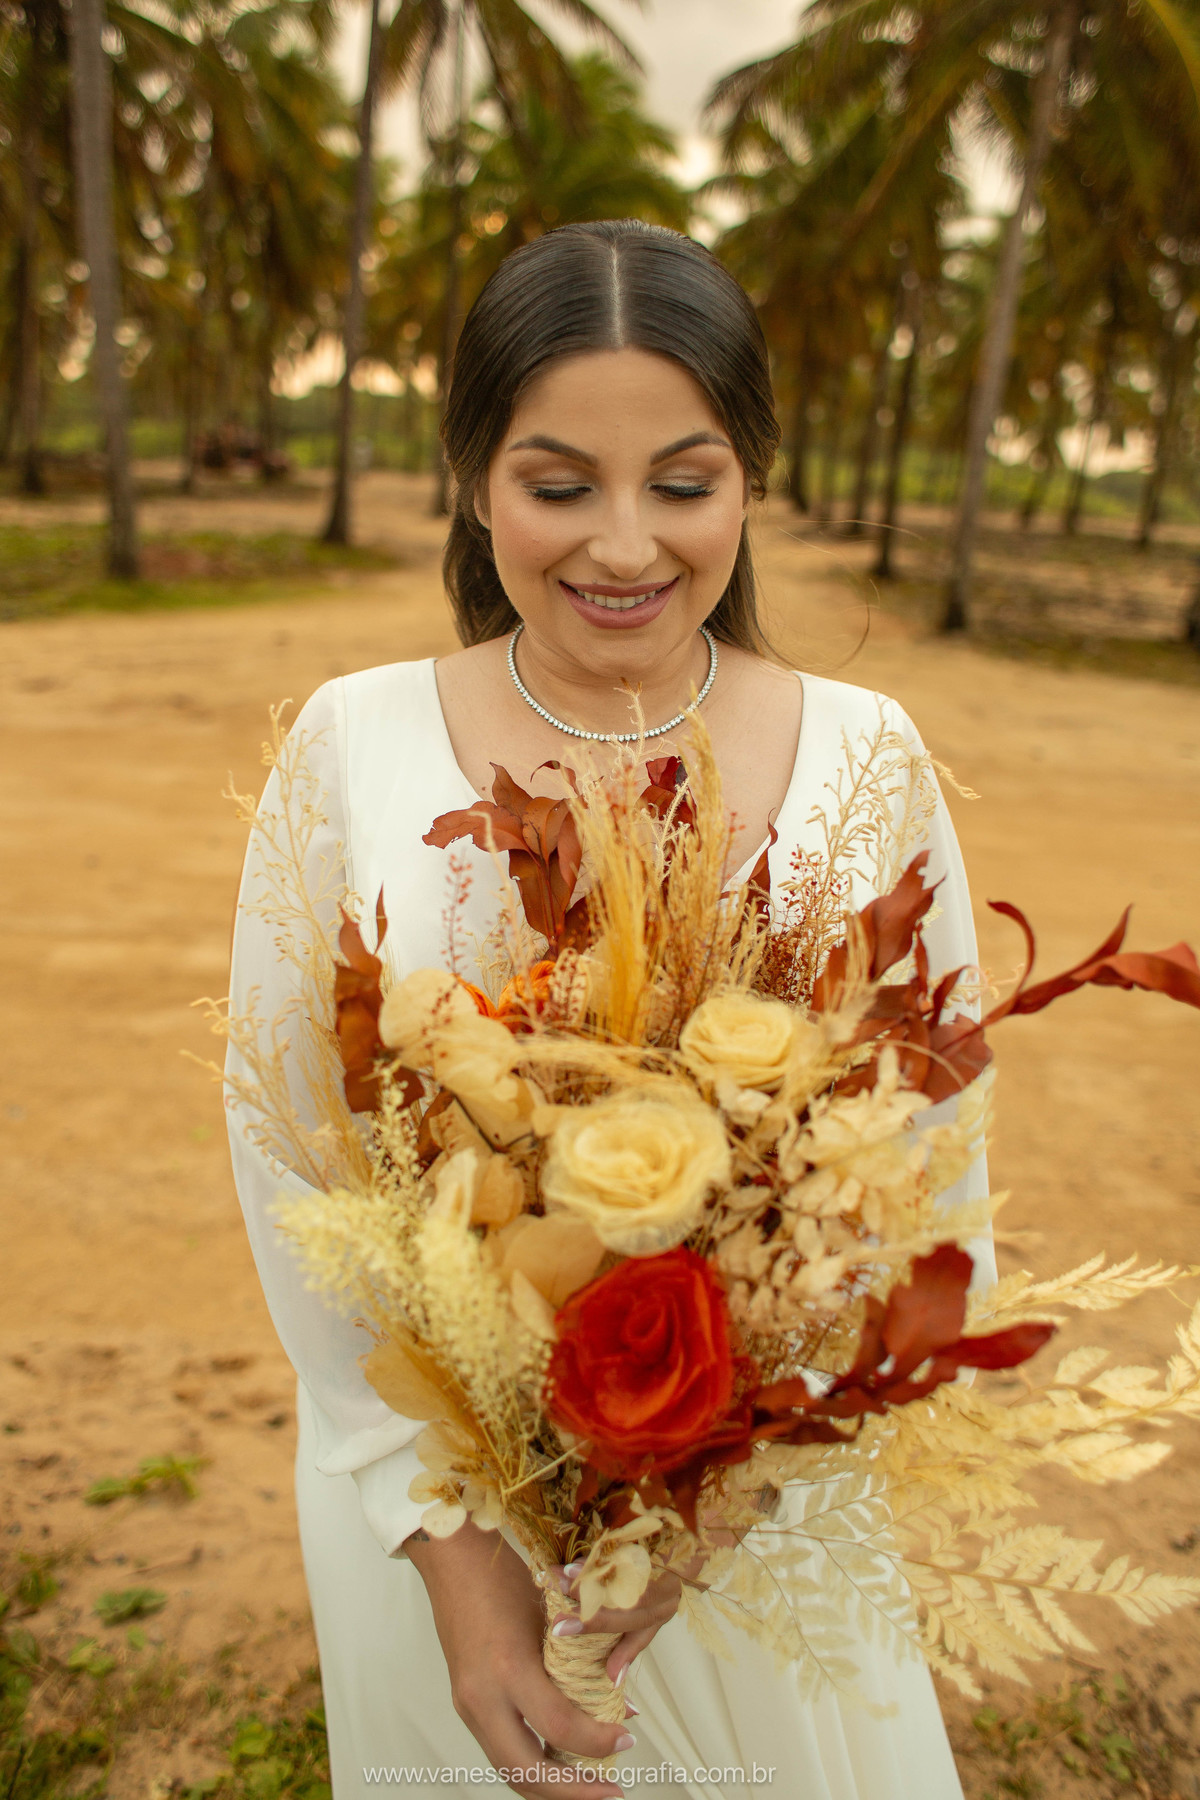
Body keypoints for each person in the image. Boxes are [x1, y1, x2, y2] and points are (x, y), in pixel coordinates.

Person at [226, 220, 991, 1800]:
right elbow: (290, 1162)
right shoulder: (349, 745)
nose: (625, 545)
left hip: (766, 1526)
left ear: (753, 479)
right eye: (559, 485)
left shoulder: (871, 758)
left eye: (686, 483)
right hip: (432, 1515)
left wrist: (713, 1504)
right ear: (472, 478)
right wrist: (447, 1549)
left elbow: (933, 1170)